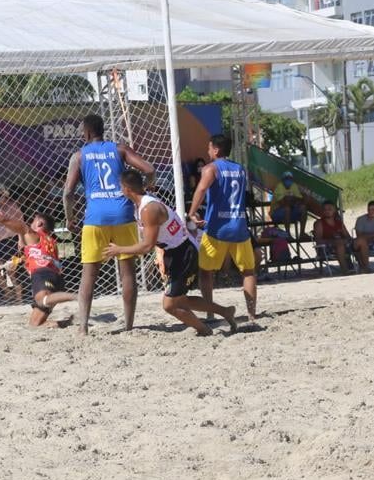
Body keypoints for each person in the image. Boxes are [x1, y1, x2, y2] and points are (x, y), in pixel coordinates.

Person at [104, 170, 236, 336]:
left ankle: (204, 330)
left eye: (121, 187)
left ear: (126, 189)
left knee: (169, 305)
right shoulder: (143, 204)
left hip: (183, 253)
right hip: (175, 252)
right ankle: (225, 312)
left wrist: (119, 249)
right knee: (179, 300)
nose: (120, 191)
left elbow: (147, 246)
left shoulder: (148, 209)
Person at [63, 114, 156, 335]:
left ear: (86, 132)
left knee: (89, 274)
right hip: (122, 215)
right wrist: (145, 190)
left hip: (95, 217)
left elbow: (68, 193)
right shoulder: (119, 149)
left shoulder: (79, 156)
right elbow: (149, 169)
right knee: (127, 273)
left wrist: (69, 218)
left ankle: (83, 327)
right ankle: (129, 325)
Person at [0, 201, 77, 328]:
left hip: (43, 274)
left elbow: (3, 220)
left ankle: (76, 296)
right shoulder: (50, 241)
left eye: (33, 220)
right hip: (58, 279)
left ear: (39, 223)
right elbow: (37, 254)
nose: (30, 222)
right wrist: (21, 239)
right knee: (35, 324)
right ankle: (70, 322)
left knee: (41, 299)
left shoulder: (32, 233)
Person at [187, 134, 258, 321]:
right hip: (240, 226)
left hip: (217, 228)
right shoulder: (240, 169)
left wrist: (192, 213)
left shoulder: (211, 168)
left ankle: (210, 313)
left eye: (209, 147)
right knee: (248, 272)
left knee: (205, 271)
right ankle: (251, 314)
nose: (208, 150)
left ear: (216, 150)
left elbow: (201, 189)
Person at [0, 186, 25, 304]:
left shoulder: (12, 206)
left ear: (5, 196)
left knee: (11, 272)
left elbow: (20, 224)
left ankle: (18, 294)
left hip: (10, 241)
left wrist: (21, 239)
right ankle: (7, 291)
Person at [313, 201, 353, 274]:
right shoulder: (319, 223)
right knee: (340, 245)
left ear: (334, 210)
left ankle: (363, 267)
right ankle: (345, 269)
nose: (327, 211)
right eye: (325, 209)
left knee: (358, 241)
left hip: (342, 244)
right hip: (325, 248)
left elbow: (348, 237)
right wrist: (333, 241)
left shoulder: (339, 223)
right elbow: (318, 241)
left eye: (329, 209)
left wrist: (344, 240)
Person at [270, 170, 307, 236]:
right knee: (287, 209)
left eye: (290, 178)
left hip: (290, 210)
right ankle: (288, 234)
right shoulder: (279, 187)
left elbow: (300, 199)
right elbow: (283, 203)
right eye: (286, 178)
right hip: (276, 213)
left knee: (303, 208)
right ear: (283, 180)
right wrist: (293, 199)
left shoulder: (293, 185)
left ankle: (302, 234)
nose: (288, 180)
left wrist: (290, 199)